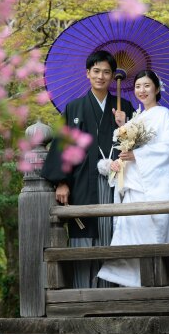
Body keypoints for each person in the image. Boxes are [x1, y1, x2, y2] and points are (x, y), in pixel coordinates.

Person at [41, 50, 135, 288]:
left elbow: (137, 147)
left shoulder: (125, 107)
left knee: (114, 233)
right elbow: (63, 145)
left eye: (106, 72)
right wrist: (62, 181)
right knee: (84, 234)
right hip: (83, 181)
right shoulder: (74, 108)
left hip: (117, 181)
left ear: (113, 76)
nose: (101, 76)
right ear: (87, 74)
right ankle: (83, 293)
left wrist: (127, 125)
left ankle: (113, 297)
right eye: (96, 71)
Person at [97, 70, 169, 287]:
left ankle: (163, 283)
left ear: (156, 88)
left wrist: (137, 155)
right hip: (134, 184)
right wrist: (122, 128)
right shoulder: (136, 118)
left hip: (154, 184)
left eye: (146, 86)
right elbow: (127, 150)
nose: (141, 90)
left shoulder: (164, 115)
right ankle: (135, 285)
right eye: (138, 86)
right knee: (133, 233)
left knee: (156, 233)